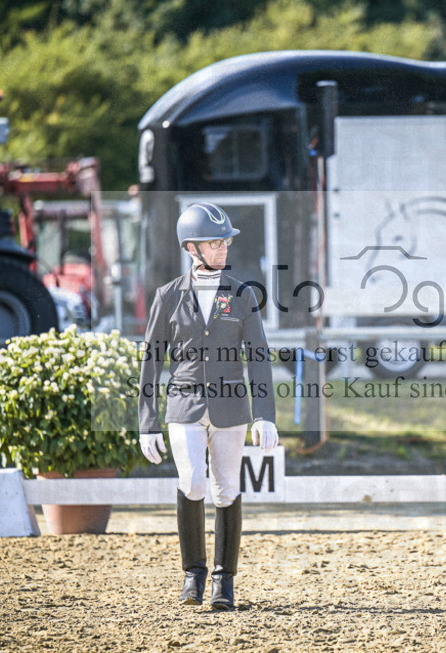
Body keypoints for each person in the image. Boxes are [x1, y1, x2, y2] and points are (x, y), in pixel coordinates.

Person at [138, 202, 278, 611]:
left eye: (225, 242)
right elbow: (151, 361)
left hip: (231, 408)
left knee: (227, 487)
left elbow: (259, 358)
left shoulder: (242, 294)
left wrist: (264, 415)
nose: (223, 249)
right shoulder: (168, 296)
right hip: (184, 405)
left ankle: (223, 580)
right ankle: (193, 573)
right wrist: (147, 422)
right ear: (192, 248)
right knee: (193, 482)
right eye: (215, 243)